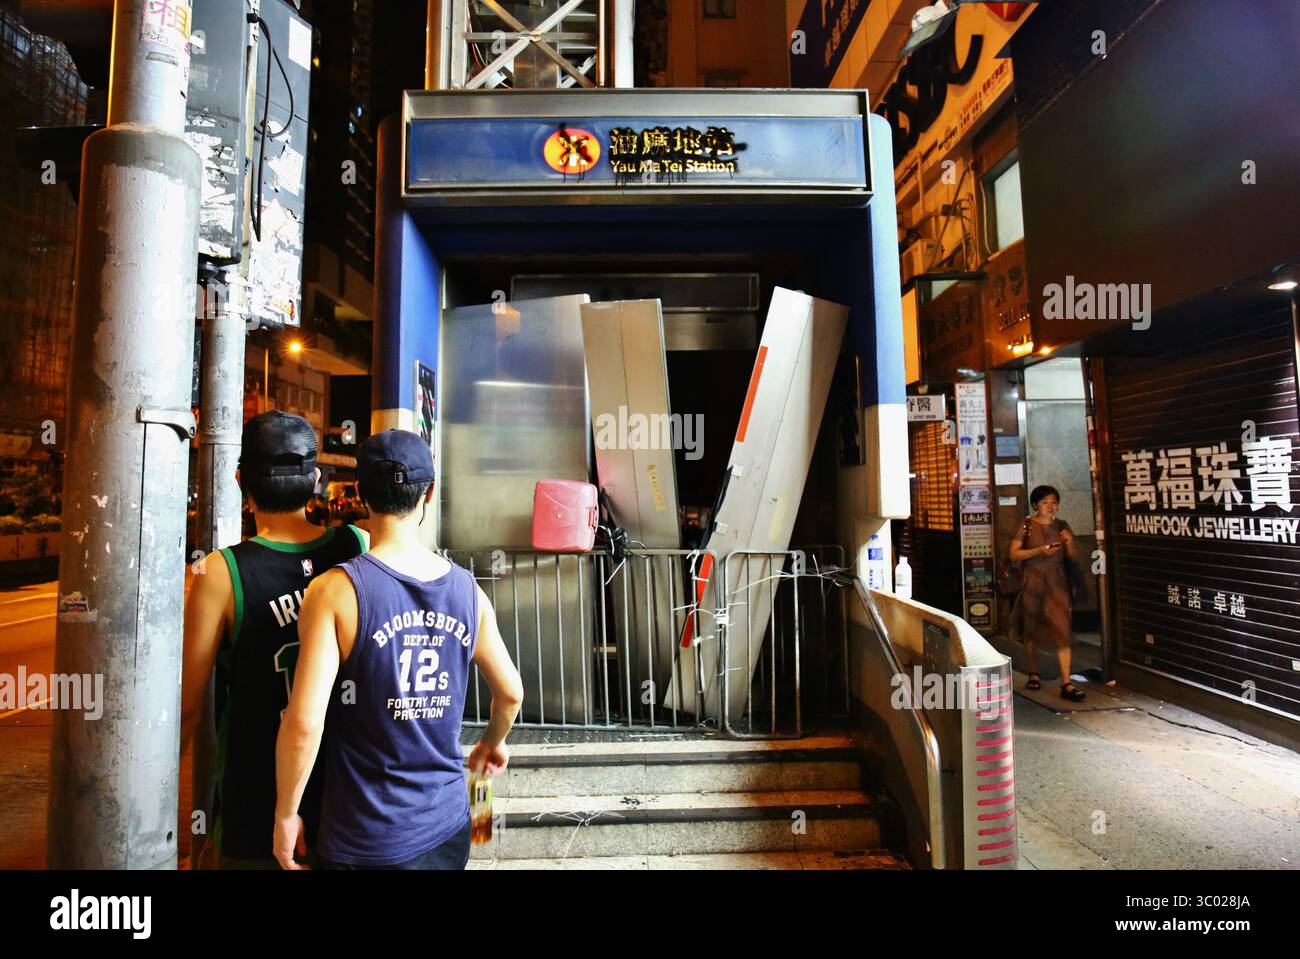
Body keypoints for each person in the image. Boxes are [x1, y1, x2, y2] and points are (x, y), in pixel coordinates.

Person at [274, 429, 523, 870]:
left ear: (359, 493)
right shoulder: (469, 591)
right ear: (430, 492)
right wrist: (490, 744)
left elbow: (305, 723)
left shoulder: (334, 591)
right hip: (449, 826)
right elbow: (511, 694)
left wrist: (287, 814)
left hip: (365, 836)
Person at [181, 411, 368, 868]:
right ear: (316, 480)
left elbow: (188, 707)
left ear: (241, 480)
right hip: (351, 797)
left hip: (256, 805)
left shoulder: (221, 572)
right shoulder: (357, 546)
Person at [1008, 484, 1085, 702]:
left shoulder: (1062, 525)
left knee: (1062, 628)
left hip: (1057, 582)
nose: (1050, 506)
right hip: (1033, 580)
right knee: (1031, 627)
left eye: (1054, 502)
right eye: (1045, 502)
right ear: (1035, 505)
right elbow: (1014, 553)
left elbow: (1072, 556)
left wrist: (1069, 542)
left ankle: (1066, 682)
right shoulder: (1027, 525)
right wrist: (1039, 551)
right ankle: (1033, 671)